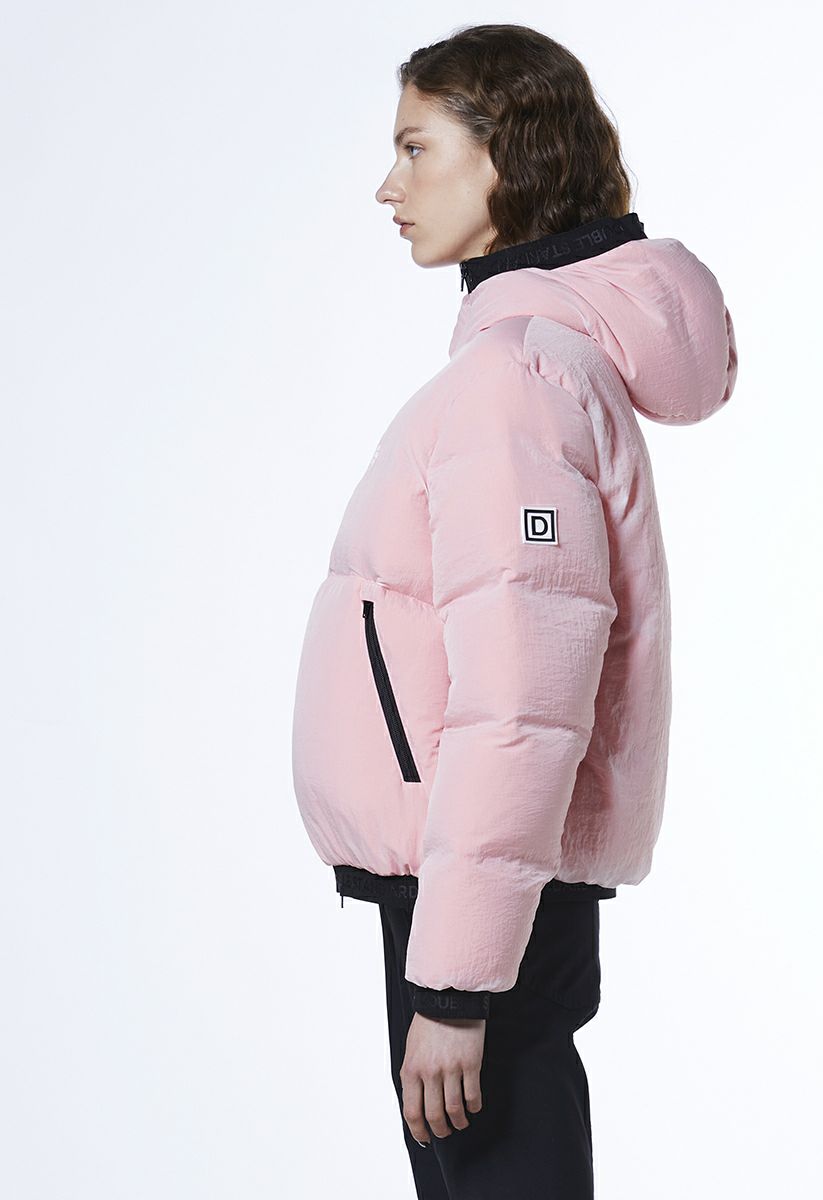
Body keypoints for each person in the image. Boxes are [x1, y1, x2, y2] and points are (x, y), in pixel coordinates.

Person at [291, 22, 738, 1199]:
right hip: (481, 881)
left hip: (480, 898)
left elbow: (523, 693)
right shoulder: (529, 362)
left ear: (507, 155)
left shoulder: (513, 383)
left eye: (416, 147)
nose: (388, 187)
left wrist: (454, 985)